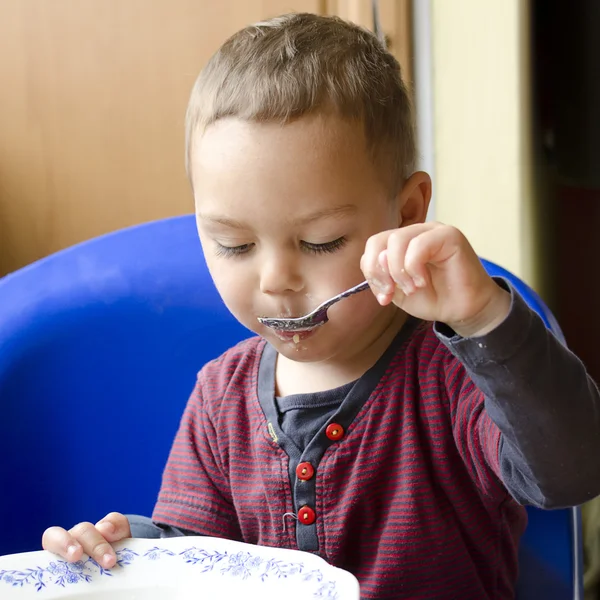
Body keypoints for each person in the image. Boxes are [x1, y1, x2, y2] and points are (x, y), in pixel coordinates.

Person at [41, 12, 600, 599]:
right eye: (234, 245)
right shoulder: (218, 400)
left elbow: (572, 470)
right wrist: (131, 552)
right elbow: (200, 559)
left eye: (320, 242)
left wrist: (485, 319)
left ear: (407, 213)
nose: (276, 279)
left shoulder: (454, 374)